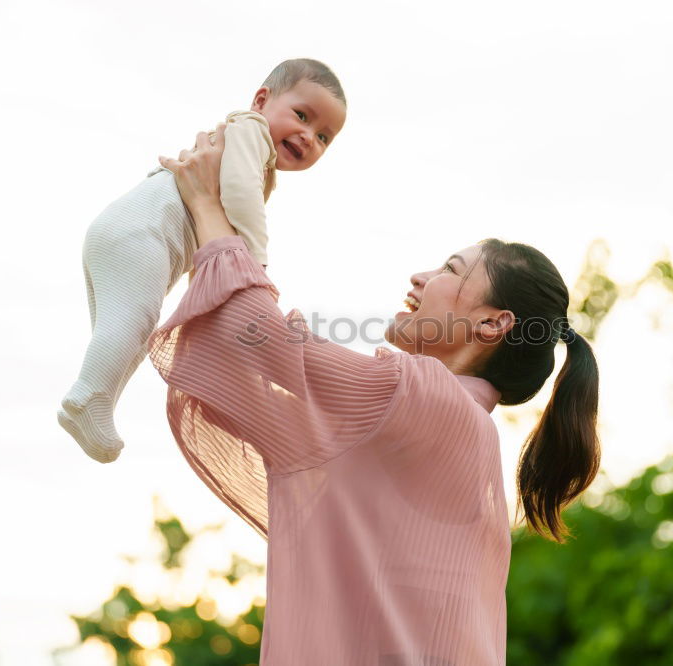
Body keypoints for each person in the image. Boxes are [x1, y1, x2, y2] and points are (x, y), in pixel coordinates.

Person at [150, 129, 600, 665]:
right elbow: (241, 356)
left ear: (491, 323)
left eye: (450, 270)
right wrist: (233, 228)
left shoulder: (427, 401)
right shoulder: (431, 428)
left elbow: (259, 339)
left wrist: (205, 202)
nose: (420, 276)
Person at [58, 58, 346, 463]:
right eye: (301, 115)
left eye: (323, 136)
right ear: (261, 100)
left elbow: (211, 232)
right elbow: (239, 194)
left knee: (132, 333)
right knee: (134, 323)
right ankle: (87, 395)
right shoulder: (251, 130)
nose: (308, 135)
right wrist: (254, 262)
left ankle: (97, 403)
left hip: (129, 233)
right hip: (143, 233)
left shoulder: (255, 153)